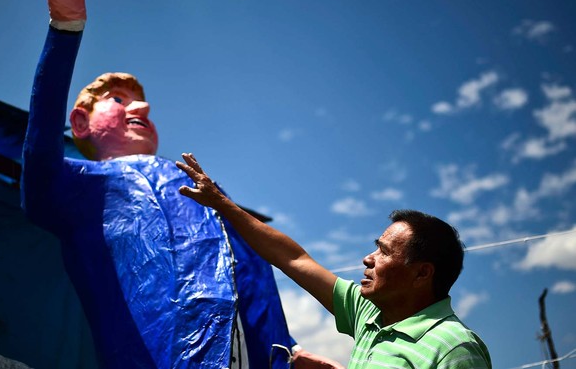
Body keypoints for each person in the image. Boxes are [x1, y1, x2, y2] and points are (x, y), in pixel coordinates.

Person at [21, 0, 334, 368]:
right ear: (82, 123)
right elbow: (40, 144)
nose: (140, 108)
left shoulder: (197, 182)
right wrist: (65, 26)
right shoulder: (76, 187)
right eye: (118, 99)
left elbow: (251, 269)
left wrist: (283, 350)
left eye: (142, 101)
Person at [176, 153, 493, 369]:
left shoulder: (454, 347)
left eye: (384, 252)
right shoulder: (369, 316)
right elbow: (292, 257)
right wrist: (221, 204)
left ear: (422, 273)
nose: (367, 259)